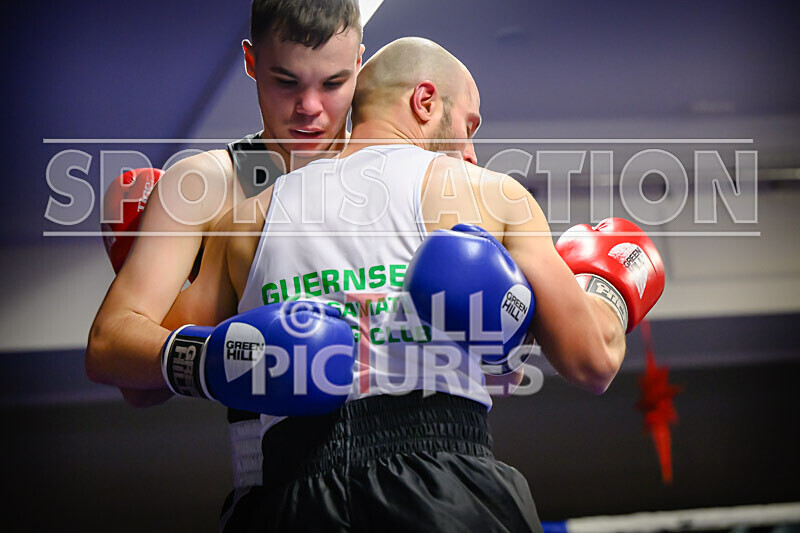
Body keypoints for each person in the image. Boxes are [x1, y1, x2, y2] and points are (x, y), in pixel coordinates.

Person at [155, 37, 665, 531]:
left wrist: (216, 351)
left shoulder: (246, 219)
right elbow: (592, 360)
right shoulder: (489, 194)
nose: (471, 153)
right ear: (424, 101)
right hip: (446, 483)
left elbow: (143, 368)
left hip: (288, 498)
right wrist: (609, 286)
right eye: (469, 126)